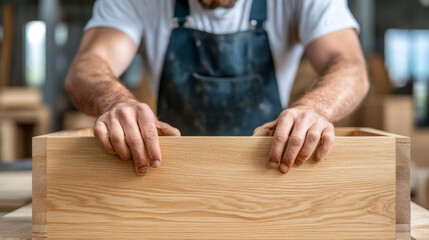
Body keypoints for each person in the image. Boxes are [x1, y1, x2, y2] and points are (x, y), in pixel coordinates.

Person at [65, 0, 369, 176]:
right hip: (170, 172)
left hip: (270, 171)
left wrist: (315, 109)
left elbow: (350, 66)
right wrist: (114, 100)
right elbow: (88, 64)